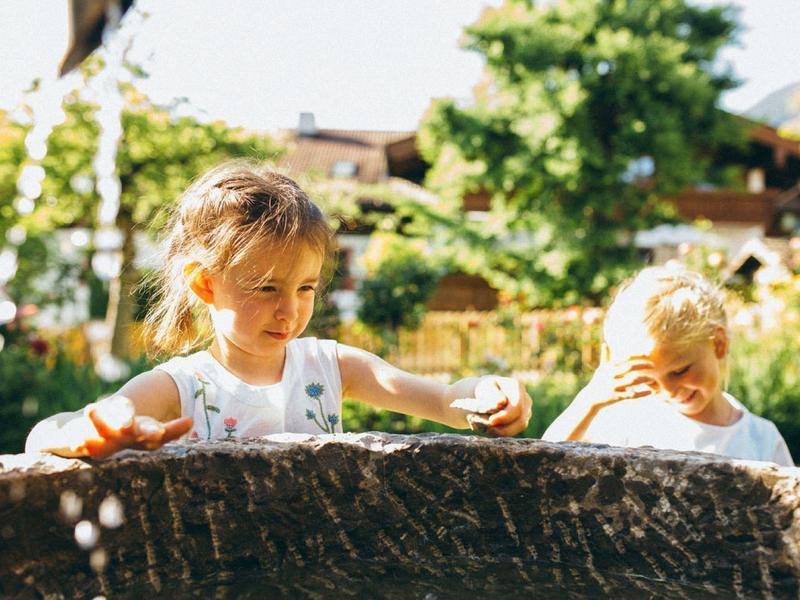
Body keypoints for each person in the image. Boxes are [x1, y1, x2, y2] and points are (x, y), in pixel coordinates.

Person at [26, 160, 532, 458]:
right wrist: (85, 433)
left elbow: (442, 401)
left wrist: (487, 397)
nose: (289, 311)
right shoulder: (180, 388)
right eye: (266, 288)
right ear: (206, 283)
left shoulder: (331, 367)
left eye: (306, 288)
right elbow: (45, 435)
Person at [542, 265, 793, 466]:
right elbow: (542, 462)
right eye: (649, 380)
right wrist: (589, 401)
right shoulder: (632, 419)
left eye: (679, 371)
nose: (668, 391)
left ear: (718, 343)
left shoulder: (761, 439)